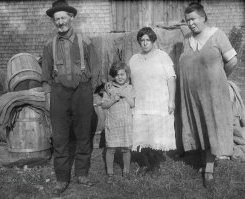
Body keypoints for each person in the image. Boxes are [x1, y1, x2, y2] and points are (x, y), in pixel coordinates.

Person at [179, 2, 237, 188]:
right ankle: (205, 160)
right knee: (199, 125)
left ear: (203, 17)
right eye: (187, 20)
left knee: (213, 125)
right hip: (192, 95)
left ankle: (209, 168)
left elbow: (232, 61)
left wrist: (220, 78)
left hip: (213, 94)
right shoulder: (187, 39)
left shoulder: (217, 35)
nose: (190, 23)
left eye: (193, 19)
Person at [41, 0, 97, 194]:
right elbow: (45, 76)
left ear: (71, 18)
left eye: (63, 18)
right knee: (60, 137)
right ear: (53, 21)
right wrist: (49, 98)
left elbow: (96, 69)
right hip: (59, 93)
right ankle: (62, 178)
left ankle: (82, 173)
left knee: (83, 134)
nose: (60, 22)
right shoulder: (49, 45)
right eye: (57, 19)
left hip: (83, 91)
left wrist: (92, 92)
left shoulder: (86, 41)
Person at [129, 27, 177, 174]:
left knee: (156, 135)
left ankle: (155, 165)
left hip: (159, 103)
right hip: (141, 103)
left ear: (153, 41)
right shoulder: (133, 59)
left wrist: (171, 100)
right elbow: (129, 81)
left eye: (148, 40)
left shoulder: (162, 57)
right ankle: (145, 163)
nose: (144, 43)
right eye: (142, 40)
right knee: (142, 135)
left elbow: (171, 79)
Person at [101, 61, 134, 184]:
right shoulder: (109, 88)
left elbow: (133, 104)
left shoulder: (130, 88)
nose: (120, 77)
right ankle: (110, 173)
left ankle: (126, 171)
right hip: (113, 123)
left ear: (127, 75)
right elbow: (104, 105)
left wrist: (125, 95)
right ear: (113, 76)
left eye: (122, 74)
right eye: (117, 75)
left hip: (126, 124)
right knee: (111, 149)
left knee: (126, 149)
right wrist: (113, 100)